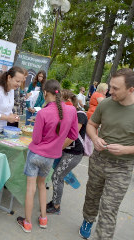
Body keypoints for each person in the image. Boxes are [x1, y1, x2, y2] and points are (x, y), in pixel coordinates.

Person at [16, 79, 79, 233]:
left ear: (45, 93)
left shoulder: (43, 113)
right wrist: (57, 141)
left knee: (31, 188)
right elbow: (73, 134)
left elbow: (36, 139)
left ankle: (28, 222)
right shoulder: (71, 111)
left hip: (36, 154)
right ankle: (43, 219)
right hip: (51, 157)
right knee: (42, 186)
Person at [79, 68, 134, 240]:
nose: (111, 91)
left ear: (131, 89)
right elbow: (91, 125)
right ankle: (88, 219)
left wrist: (127, 149)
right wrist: (95, 138)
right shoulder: (105, 104)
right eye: (110, 87)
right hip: (98, 160)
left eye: (116, 88)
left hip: (122, 167)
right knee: (92, 195)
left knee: (109, 208)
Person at [46, 89, 88, 214]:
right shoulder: (67, 113)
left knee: (57, 176)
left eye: (61, 100)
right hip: (67, 151)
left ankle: (56, 206)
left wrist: (56, 148)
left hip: (73, 153)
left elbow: (72, 137)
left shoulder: (80, 115)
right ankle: (55, 201)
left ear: (68, 101)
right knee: (58, 175)